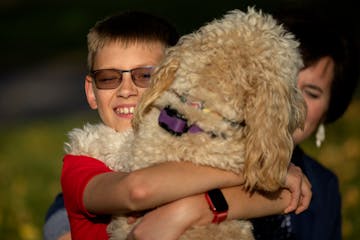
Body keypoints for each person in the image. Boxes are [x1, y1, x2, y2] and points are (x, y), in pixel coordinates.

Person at [44, 10, 312, 240]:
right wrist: (256, 166)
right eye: (108, 78)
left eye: (145, 75)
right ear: (92, 92)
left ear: (172, 78)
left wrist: (190, 210)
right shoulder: (82, 163)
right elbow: (138, 190)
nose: (126, 90)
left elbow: (288, 197)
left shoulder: (195, 147)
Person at [251, 9, 359, 240]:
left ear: (328, 112)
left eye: (311, 93)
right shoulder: (204, 149)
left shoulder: (324, 186)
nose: (291, 101)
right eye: (284, 79)